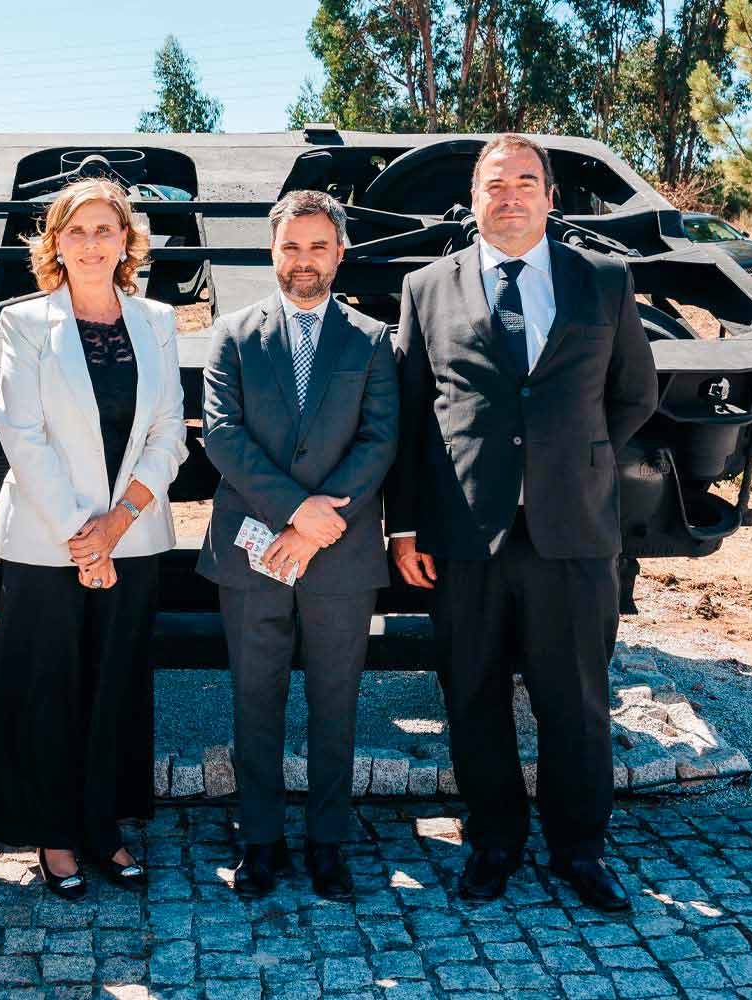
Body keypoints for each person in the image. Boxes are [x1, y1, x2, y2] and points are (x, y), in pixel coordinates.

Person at [384, 134, 658, 912]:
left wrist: (576, 460)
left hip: (571, 531)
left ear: (549, 197)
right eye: (495, 185)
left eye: (526, 183)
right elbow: (412, 413)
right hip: (464, 536)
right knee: (471, 696)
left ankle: (580, 850)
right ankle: (494, 842)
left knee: (575, 699)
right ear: (474, 198)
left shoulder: (604, 281)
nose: (510, 197)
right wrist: (403, 529)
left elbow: (632, 394)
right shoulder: (426, 287)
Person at [0, 178, 187, 900]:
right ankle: (55, 836)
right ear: (54, 242)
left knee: (115, 687)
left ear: (127, 242)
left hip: (135, 538)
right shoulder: (26, 322)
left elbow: (169, 432)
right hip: (46, 544)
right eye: (77, 231)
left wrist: (117, 526)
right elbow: (21, 435)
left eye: (105, 230)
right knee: (51, 689)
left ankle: (104, 830)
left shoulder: (157, 319)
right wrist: (83, 538)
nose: (92, 243)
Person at [197, 189, 399, 900]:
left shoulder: (373, 340)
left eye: (318, 246)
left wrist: (318, 525)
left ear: (339, 252)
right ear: (271, 251)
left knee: (335, 701)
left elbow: (380, 439)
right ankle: (259, 840)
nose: (303, 261)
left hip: (340, 556)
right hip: (253, 549)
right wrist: (293, 514)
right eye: (291, 247)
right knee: (255, 699)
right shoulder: (232, 333)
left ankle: (328, 842)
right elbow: (222, 434)